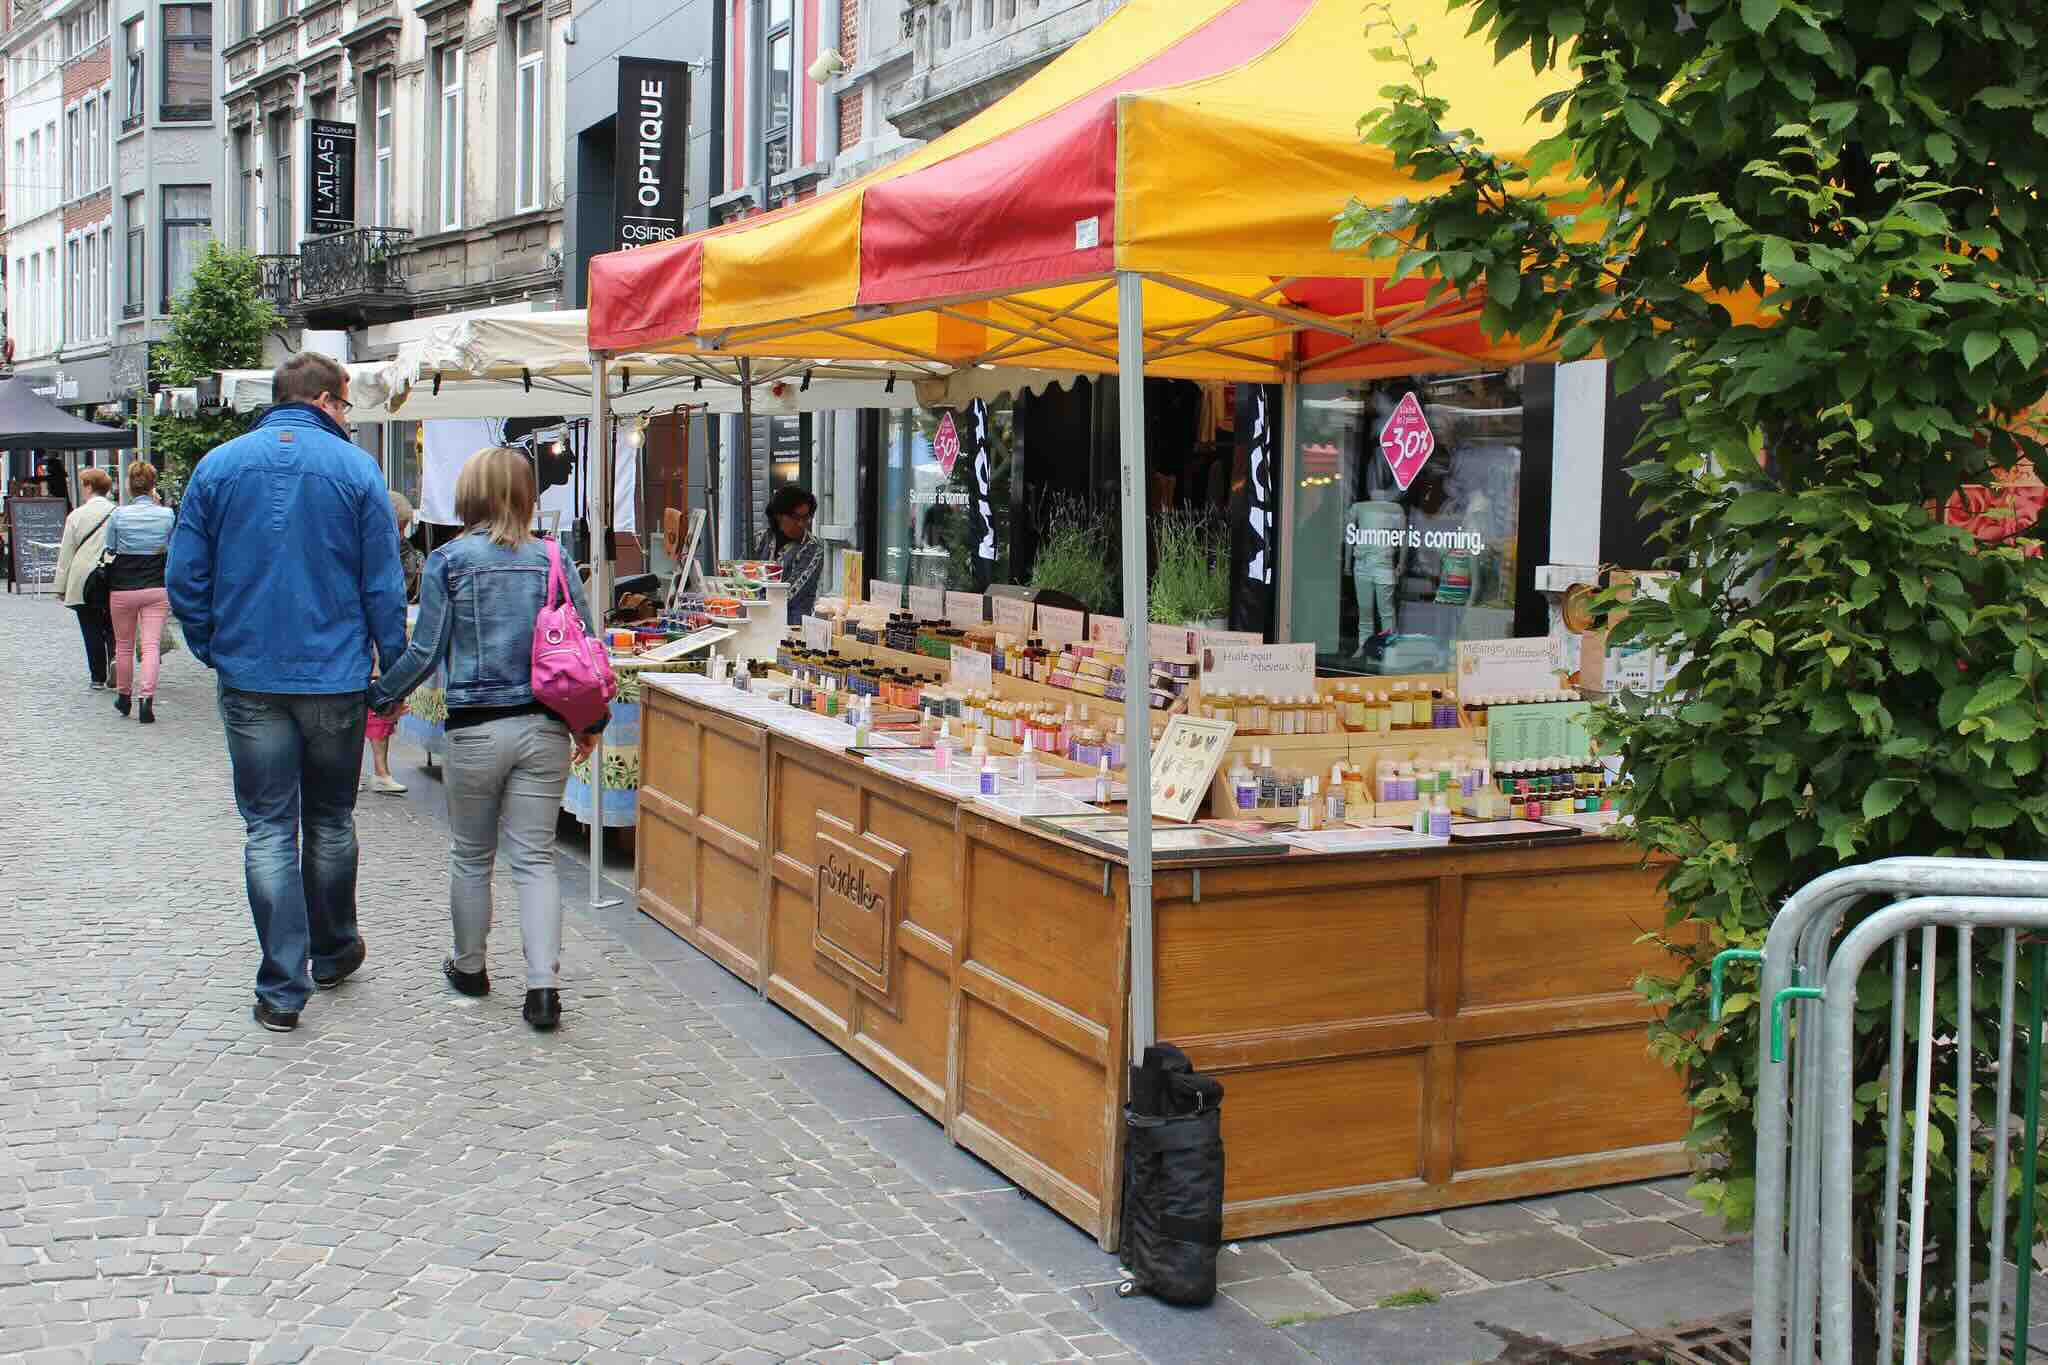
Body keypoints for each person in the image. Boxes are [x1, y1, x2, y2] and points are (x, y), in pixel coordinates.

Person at [166, 352, 407, 1034]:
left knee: (270, 826)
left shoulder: (218, 467)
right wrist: (389, 674)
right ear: (329, 400)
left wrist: (216, 645)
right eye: (348, 405)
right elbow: (383, 587)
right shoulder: (358, 472)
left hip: (251, 676)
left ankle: (281, 985)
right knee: (330, 819)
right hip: (333, 676)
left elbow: (185, 575)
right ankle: (331, 951)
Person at [369, 446, 603, 1034]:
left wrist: (381, 695)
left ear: (469, 494)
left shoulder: (449, 560)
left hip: (475, 729)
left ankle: (471, 968)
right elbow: (586, 649)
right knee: (535, 860)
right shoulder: (554, 559)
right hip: (545, 726)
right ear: (527, 495)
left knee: (472, 855)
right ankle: (543, 988)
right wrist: (591, 723)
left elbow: (425, 650)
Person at [105, 460, 178, 722]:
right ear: (152, 486)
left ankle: (124, 697)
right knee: (150, 646)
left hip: (122, 585)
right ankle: (146, 700)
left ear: (129, 485)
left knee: (123, 646)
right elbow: (172, 546)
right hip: (156, 585)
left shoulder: (118, 515)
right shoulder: (167, 515)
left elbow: (110, 547)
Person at [361, 490, 422, 795]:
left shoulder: (402, 551)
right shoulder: (371, 549)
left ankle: (379, 770)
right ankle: (373, 770)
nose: (400, 533)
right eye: (397, 525)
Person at [52, 467, 117, 690]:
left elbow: (66, 554)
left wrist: (60, 586)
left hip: (83, 578)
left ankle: (97, 676)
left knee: (90, 627)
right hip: (111, 575)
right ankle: (115, 662)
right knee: (112, 624)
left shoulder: (76, 516)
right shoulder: (117, 513)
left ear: (89, 486)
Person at [751, 483, 823, 624]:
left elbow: (791, 592)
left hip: (791, 627)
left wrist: (752, 598)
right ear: (779, 516)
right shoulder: (761, 539)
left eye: (806, 518)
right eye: (796, 518)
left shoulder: (813, 547)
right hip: (755, 620)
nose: (802, 524)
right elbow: (741, 575)